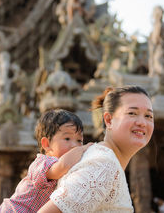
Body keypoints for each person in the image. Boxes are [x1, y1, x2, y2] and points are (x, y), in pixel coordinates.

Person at [38, 85, 155, 213]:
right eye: (132, 113)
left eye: (148, 116)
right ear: (109, 120)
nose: (142, 123)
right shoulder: (104, 164)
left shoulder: (104, 160)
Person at [0, 109, 92, 213]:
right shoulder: (43, 162)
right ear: (46, 144)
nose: (75, 145)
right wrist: (83, 149)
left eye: (79, 140)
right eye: (67, 138)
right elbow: (63, 165)